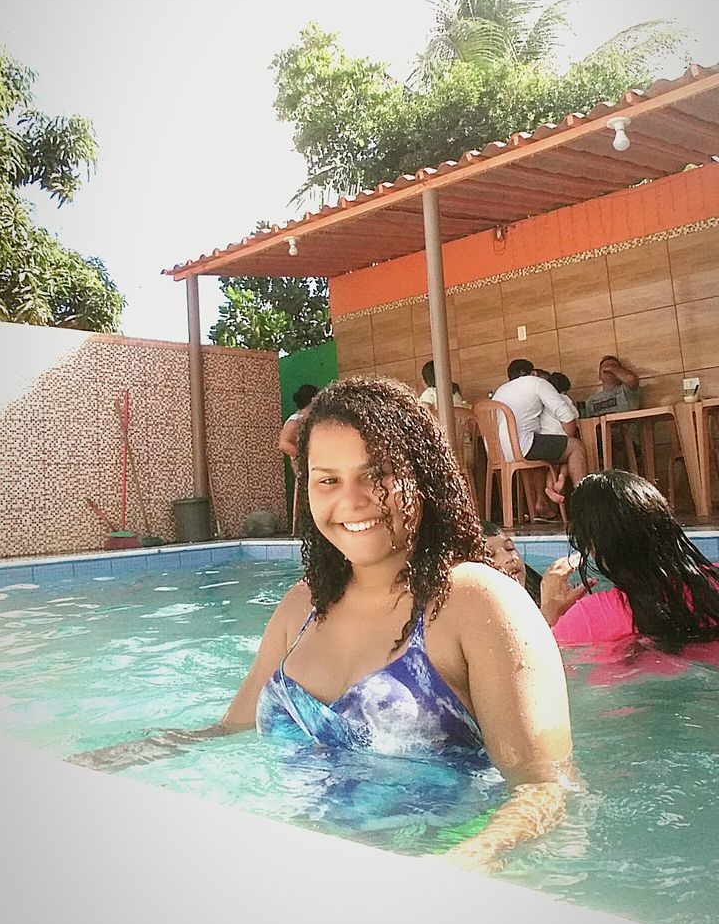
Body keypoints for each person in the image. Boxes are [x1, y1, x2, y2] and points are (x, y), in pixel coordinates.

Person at [71, 375, 573, 871]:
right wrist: (102, 763)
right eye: (328, 479)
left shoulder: (475, 602)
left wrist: (464, 861)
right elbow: (230, 730)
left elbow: (544, 786)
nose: (352, 500)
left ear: (422, 479)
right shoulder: (301, 607)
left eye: (377, 475)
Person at [540, 470, 719, 649]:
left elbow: (538, 665)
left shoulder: (589, 618)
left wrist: (549, 614)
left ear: (594, 546)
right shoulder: (713, 584)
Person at [492, 359, 587, 515]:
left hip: (499, 453)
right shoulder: (537, 382)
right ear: (534, 373)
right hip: (524, 446)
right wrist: (566, 442)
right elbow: (567, 416)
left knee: (542, 451)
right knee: (575, 447)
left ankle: (541, 503)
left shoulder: (500, 391)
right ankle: (585, 506)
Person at [278, 384, 319, 467]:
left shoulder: (311, 418)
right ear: (312, 399)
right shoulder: (295, 421)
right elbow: (283, 444)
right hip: (304, 466)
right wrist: (303, 456)